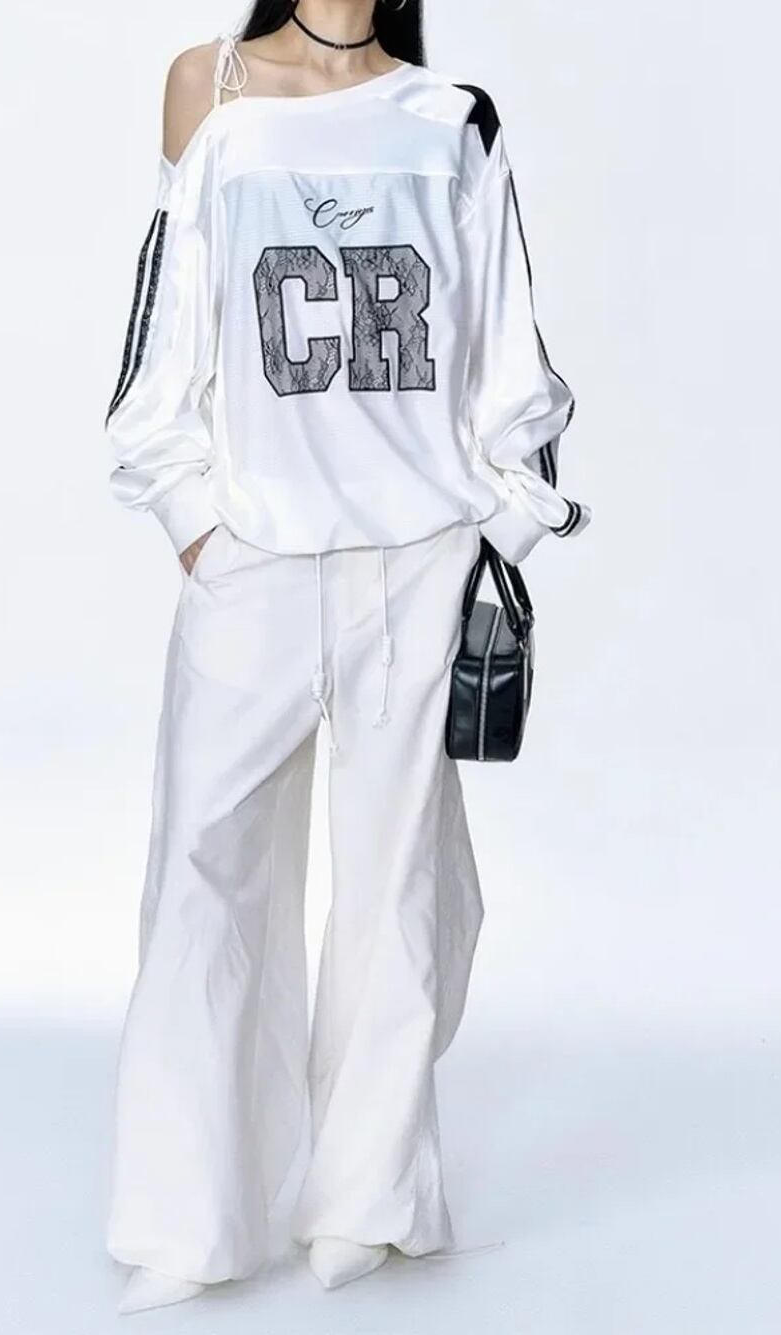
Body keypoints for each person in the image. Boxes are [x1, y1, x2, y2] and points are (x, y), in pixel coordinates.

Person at [103, 0, 590, 1314]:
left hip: (417, 564)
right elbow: (162, 329)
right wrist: (195, 524)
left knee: (400, 889)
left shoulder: (450, 121)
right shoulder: (209, 88)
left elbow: (511, 350)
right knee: (203, 875)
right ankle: (187, 1216)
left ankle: (367, 1202)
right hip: (252, 563)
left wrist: (499, 531)